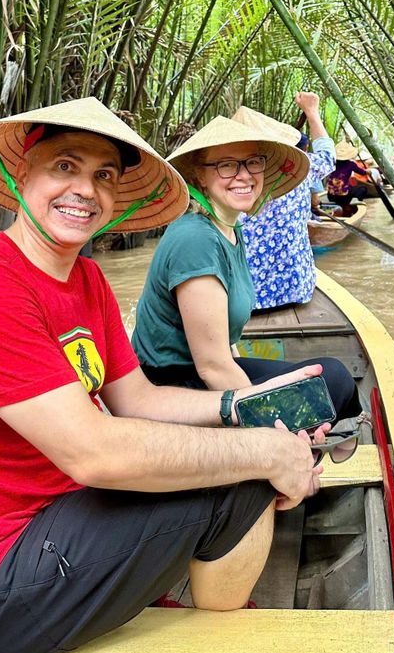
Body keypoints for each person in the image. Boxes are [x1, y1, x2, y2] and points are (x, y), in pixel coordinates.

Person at [0, 98, 330, 653]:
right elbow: (94, 453)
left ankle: (193, 606)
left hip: (53, 519)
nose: (84, 189)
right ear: (23, 173)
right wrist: (264, 452)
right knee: (244, 476)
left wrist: (244, 405)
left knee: (249, 444)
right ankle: (222, 643)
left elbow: (137, 400)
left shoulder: (86, 278)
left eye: (103, 176)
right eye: (64, 167)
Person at [132, 114, 362, 422]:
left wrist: (254, 386)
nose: (243, 175)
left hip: (202, 373)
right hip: (172, 385)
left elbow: (226, 345)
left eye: (252, 162)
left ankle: (324, 435)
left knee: (328, 375)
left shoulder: (231, 229)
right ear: (200, 176)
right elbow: (212, 367)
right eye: (226, 165)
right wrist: (264, 422)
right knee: (332, 380)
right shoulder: (196, 239)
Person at [233, 94, 336, 309]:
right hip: (296, 289)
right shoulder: (298, 168)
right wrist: (312, 112)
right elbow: (327, 157)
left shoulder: (221, 176)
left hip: (244, 300)